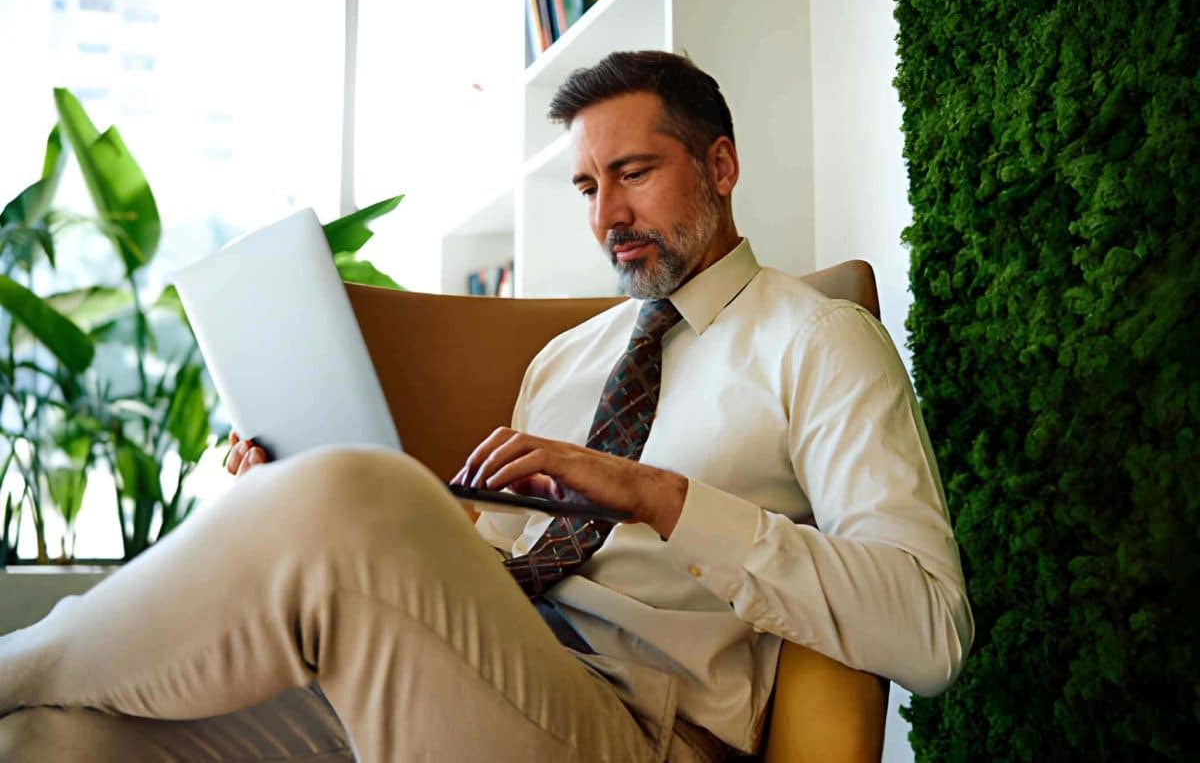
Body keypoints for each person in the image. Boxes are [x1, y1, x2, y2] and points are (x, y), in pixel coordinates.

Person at [0, 51, 973, 761]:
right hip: (449, 681)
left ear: (720, 166)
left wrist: (657, 496)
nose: (606, 217)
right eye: (589, 186)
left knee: (350, 489)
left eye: (634, 173)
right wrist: (299, 513)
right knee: (60, 740)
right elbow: (498, 568)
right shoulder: (565, 361)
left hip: (632, 722)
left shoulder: (819, 341)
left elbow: (931, 632)